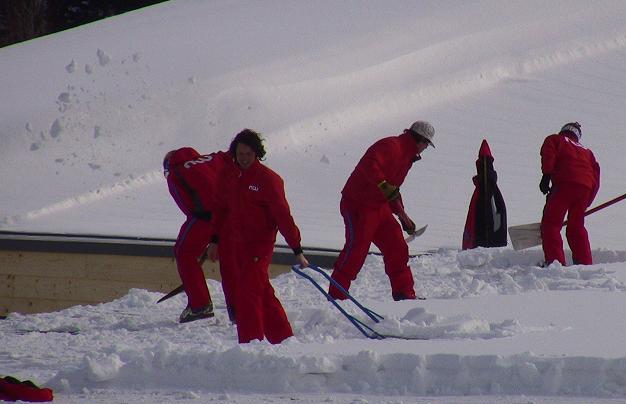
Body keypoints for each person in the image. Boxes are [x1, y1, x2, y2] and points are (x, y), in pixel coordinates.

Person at [209, 129, 309, 344]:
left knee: (247, 294)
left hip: (259, 247)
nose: (243, 158)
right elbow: (220, 210)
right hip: (235, 245)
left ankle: (250, 344)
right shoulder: (228, 175)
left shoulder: (268, 180)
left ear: (257, 154)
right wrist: (214, 240)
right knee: (262, 292)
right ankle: (283, 339)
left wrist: (297, 249)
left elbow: (283, 216)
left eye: (248, 154)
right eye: (240, 153)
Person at [329, 120, 435, 301]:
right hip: (358, 204)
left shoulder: (407, 157)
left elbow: (392, 190)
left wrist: (403, 216)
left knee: (397, 247)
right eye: (426, 145)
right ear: (421, 141)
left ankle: (404, 294)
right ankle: (337, 298)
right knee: (357, 250)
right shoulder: (392, 145)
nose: (425, 149)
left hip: (379, 207)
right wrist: (383, 185)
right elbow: (370, 165)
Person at [164, 147, 232, 323]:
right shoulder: (212, 158)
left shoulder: (175, 173)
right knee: (233, 259)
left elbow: (187, 206)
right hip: (233, 212)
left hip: (206, 217)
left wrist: (208, 237)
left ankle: (200, 305)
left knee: (184, 253)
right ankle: (239, 306)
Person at [539, 122, 600, 266]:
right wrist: (586, 203)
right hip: (585, 189)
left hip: (564, 184)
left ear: (563, 131)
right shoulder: (588, 152)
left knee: (551, 224)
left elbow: (549, 153)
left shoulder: (555, 139)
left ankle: (555, 263)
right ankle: (584, 263)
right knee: (576, 226)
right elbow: (596, 177)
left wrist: (546, 175)